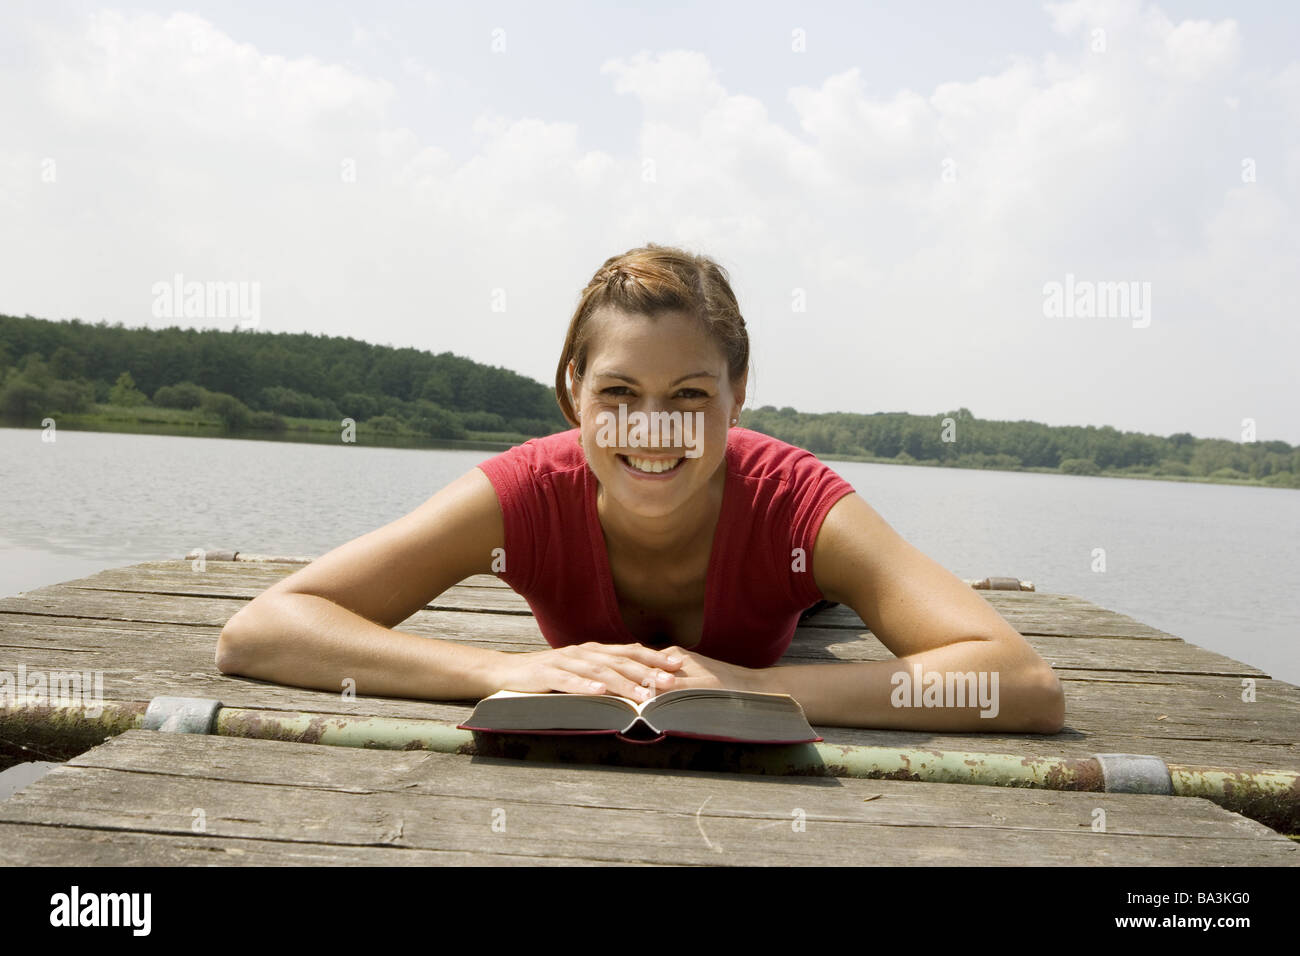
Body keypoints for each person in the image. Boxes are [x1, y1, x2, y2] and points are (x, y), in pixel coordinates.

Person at [216, 244, 1064, 732]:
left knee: (825, 614)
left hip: (800, 597)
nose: (652, 429)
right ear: (572, 393)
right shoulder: (522, 495)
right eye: (619, 394)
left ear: (737, 398)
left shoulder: (796, 505)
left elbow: (1018, 682)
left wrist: (757, 687)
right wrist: (505, 670)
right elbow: (260, 632)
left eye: (690, 396)